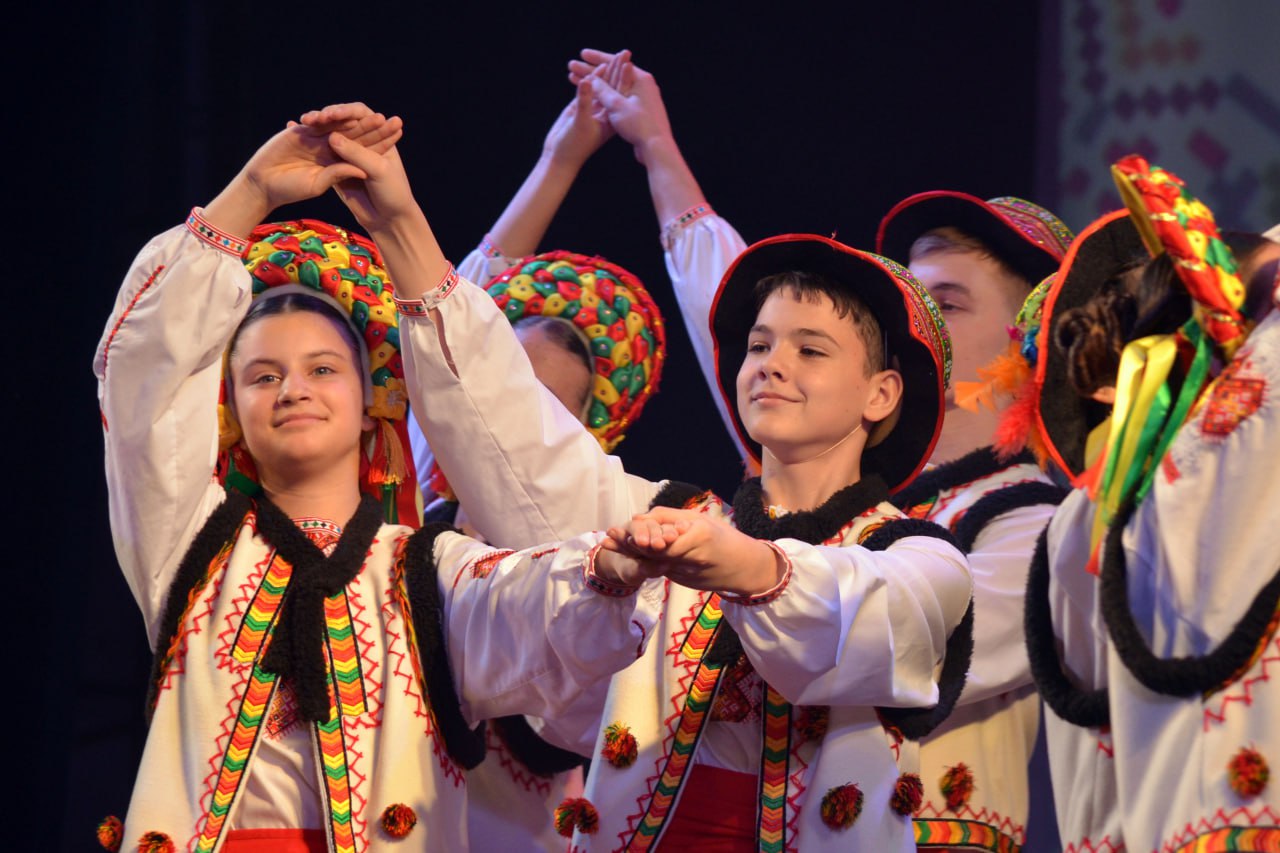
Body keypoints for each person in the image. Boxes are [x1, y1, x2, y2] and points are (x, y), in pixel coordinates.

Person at [319, 97, 973, 849]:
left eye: (810, 350)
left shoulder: (921, 558)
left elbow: (868, 615)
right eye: (760, 346)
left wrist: (746, 566)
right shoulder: (668, 521)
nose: (771, 365)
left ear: (880, 395)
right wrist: (400, 226)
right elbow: (513, 437)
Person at [96, 105, 663, 853]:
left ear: (375, 400)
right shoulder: (187, 542)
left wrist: (607, 569)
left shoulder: (427, 571)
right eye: (262, 375)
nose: (293, 389)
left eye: (322, 369)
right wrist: (252, 190)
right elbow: (145, 380)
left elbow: (533, 606)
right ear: (229, 409)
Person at [875, 192, 1074, 849]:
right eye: (908, 304)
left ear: (1028, 342)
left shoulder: (1036, 525)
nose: (915, 327)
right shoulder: (867, 500)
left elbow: (901, 657)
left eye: (946, 305)